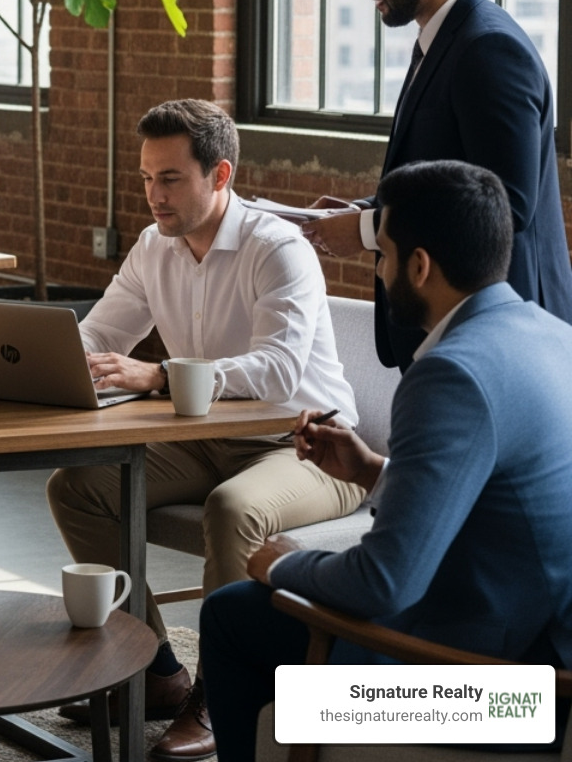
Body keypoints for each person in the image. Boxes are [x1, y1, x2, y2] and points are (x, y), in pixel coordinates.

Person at [200, 159, 572, 762]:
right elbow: (499, 507)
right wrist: (372, 469)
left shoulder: (450, 373)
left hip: (499, 697)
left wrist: (282, 563)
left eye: (384, 254)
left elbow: (383, 583)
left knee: (230, 616)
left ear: (419, 266)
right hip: (549, 663)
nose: (378, 269)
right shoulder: (552, 335)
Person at [46, 100, 365, 762]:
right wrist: (41, 357)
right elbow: (101, 333)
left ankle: (221, 693)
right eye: (146, 178)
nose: (153, 195)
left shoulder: (277, 248)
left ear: (220, 175)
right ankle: (156, 670)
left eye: (170, 179)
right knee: (79, 485)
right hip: (206, 439)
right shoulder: (152, 246)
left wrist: (159, 375)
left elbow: (278, 370)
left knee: (233, 508)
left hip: (312, 449)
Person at [301, 0, 572, 371]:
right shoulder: (443, 39)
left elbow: (505, 207)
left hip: (501, 345)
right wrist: (367, 208)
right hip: (461, 335)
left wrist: (366, 230)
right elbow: (450, 179)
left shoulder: (489, 49)